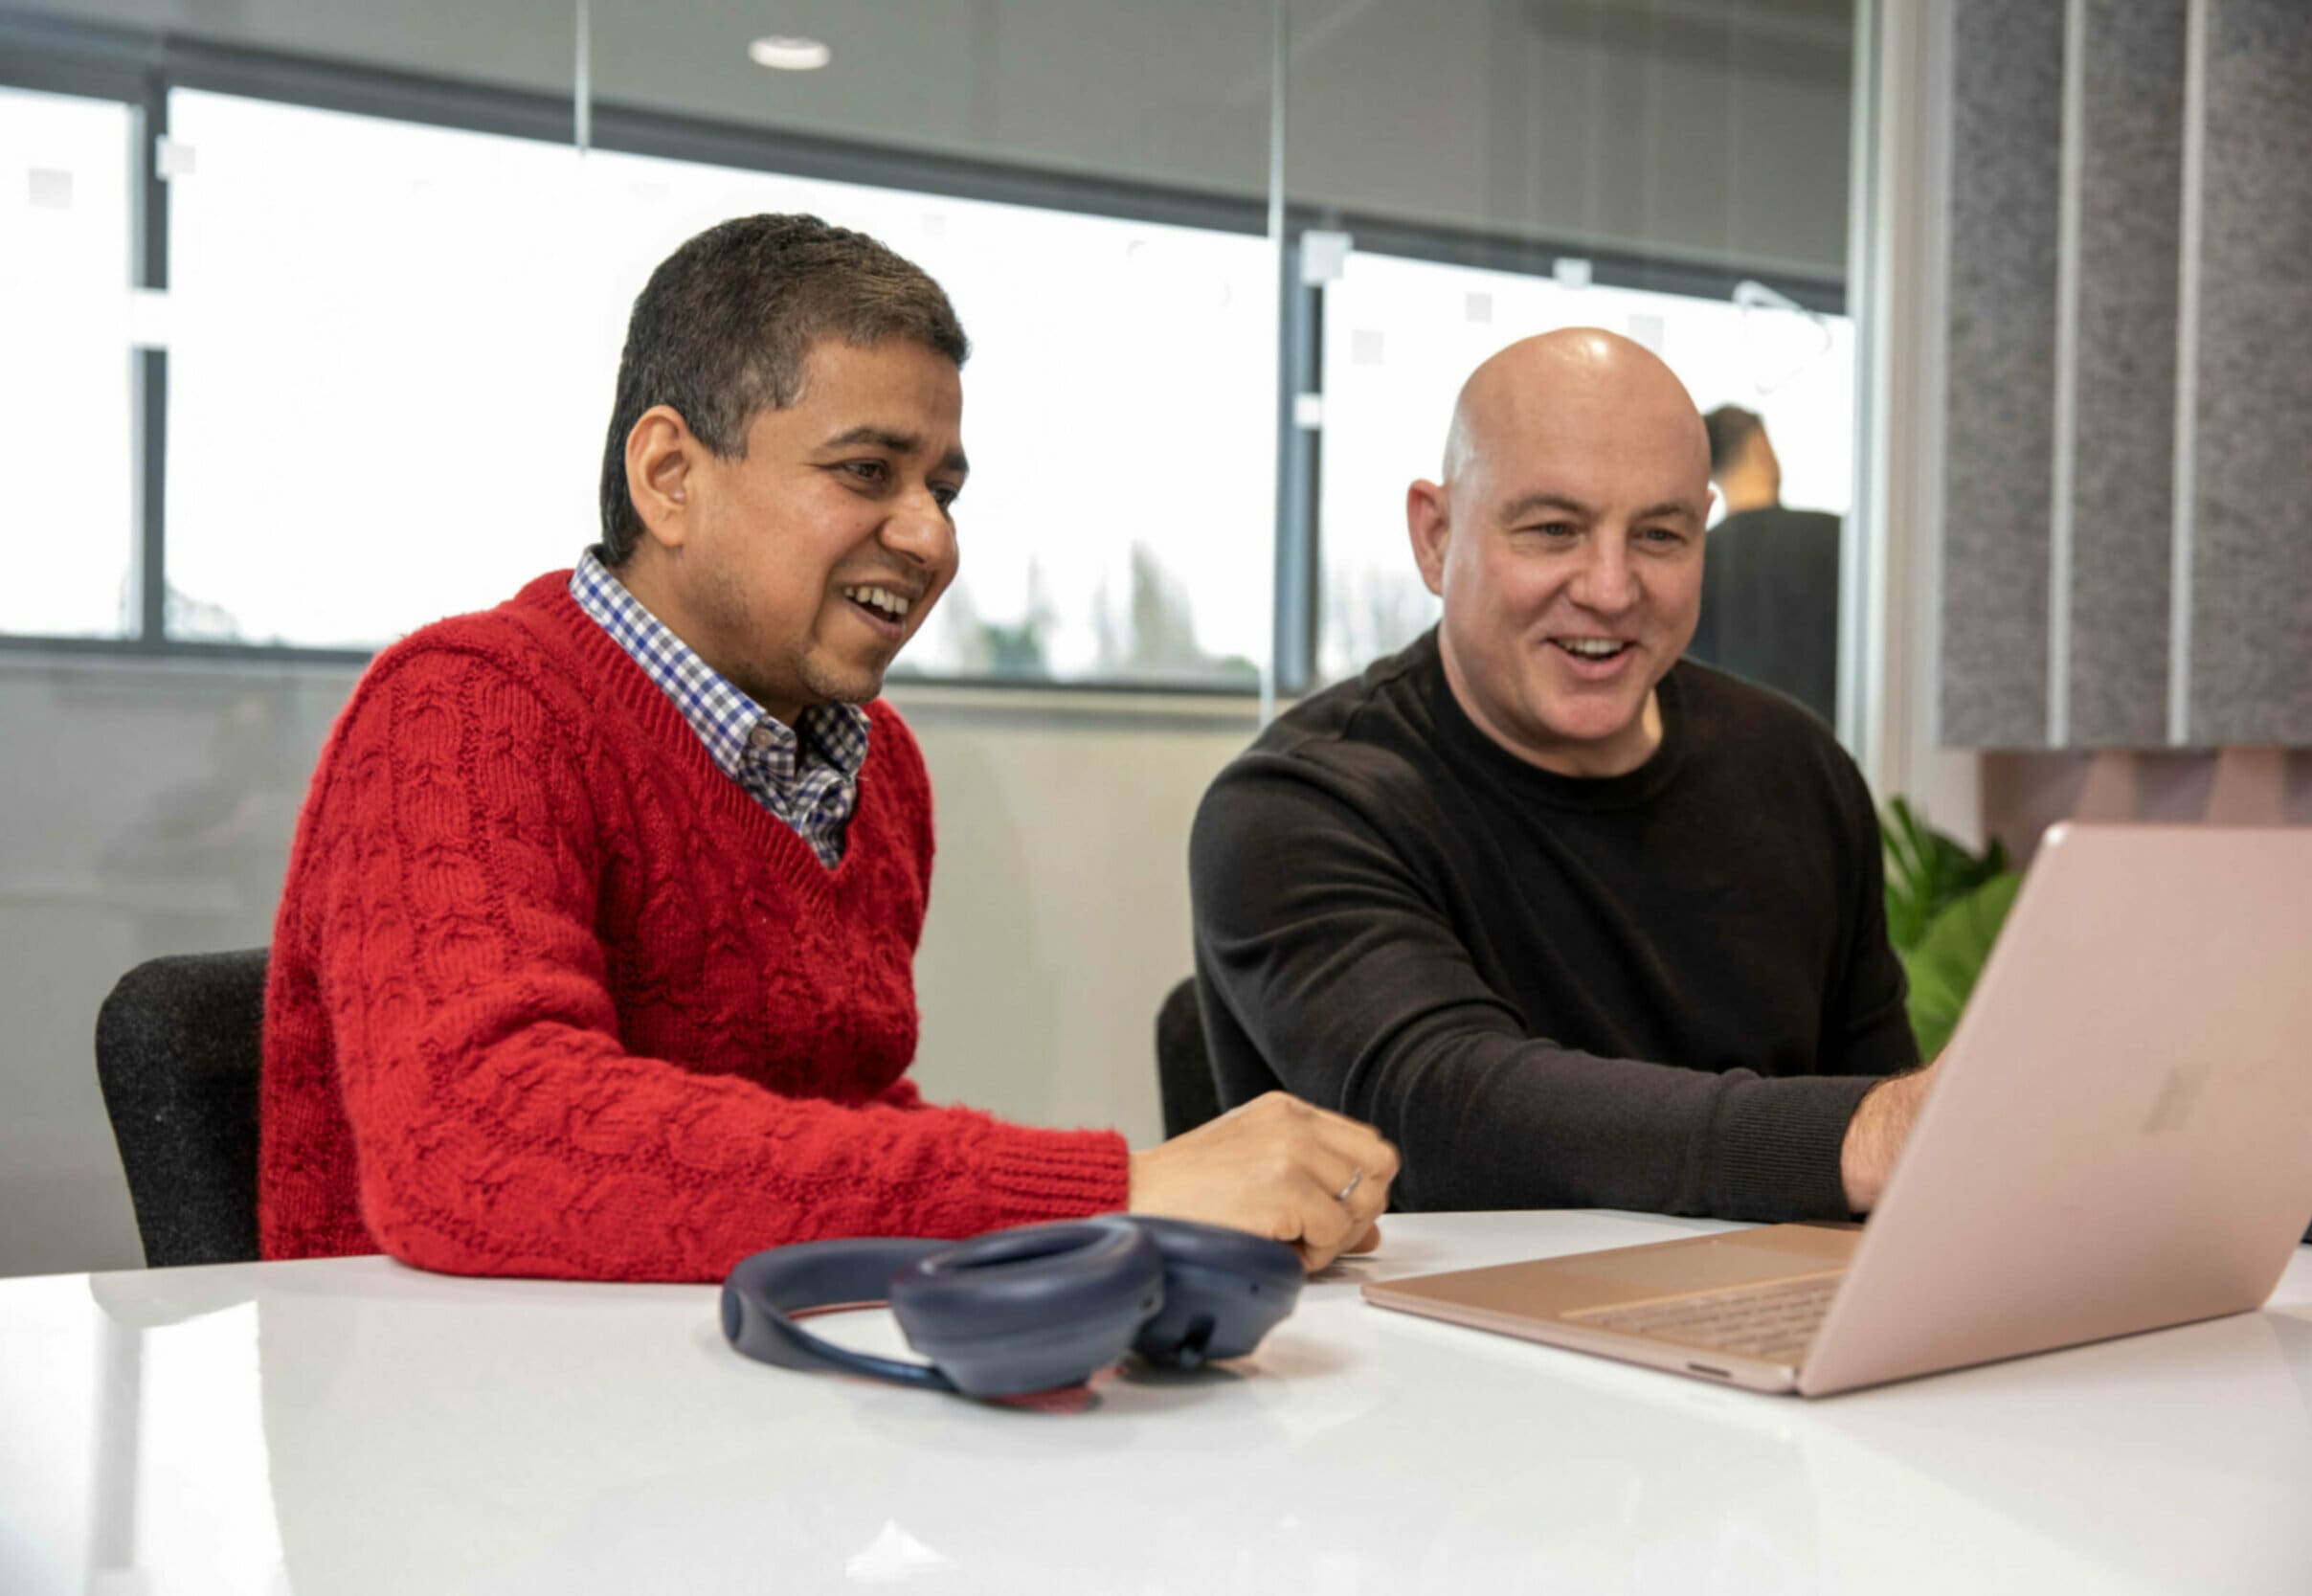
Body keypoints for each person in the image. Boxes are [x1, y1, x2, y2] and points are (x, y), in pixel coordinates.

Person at [258, 214, 1395, 1282]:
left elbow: (831, 1130)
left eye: (944, 488)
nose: (930, 536)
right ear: (669, 476)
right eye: (867, 471)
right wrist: (1108, 1187)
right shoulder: (468, 706)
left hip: (743, 1413)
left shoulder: (873, 765)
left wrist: (1151, 1212)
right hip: (456, 1446)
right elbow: (473, 1139)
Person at [1189, 329, 1931, 1223]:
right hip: (1440, 1346)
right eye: (1553, 530)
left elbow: (1891, 1154)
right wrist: (1862, 1136)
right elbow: (1441, 1112)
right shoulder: (1300, 806)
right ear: (1435, 536)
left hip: (1764, 1326)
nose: (1612, 589)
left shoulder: (1796, 768)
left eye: (1660, 534)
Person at [1685, 403, 1842, 726]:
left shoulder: (1693, 558)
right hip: (1836, 742)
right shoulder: (1840, 537)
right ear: (1760, 446)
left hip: (1722, 746)